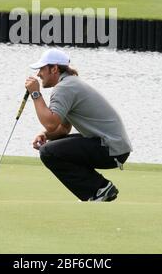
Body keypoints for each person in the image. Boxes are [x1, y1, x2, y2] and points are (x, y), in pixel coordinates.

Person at [25, 48, 132, 202]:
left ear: (54, 69)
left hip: (111, 149)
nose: (38, 74)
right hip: (113, 147)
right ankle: (99, 189)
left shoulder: (64, 88)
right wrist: (45, 135)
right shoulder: (69, 84)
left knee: (48, 151)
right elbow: (62, 129)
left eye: (42, 69)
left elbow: (50, 123)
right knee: (53, 145)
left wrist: (35, 94)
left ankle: (98, 189)